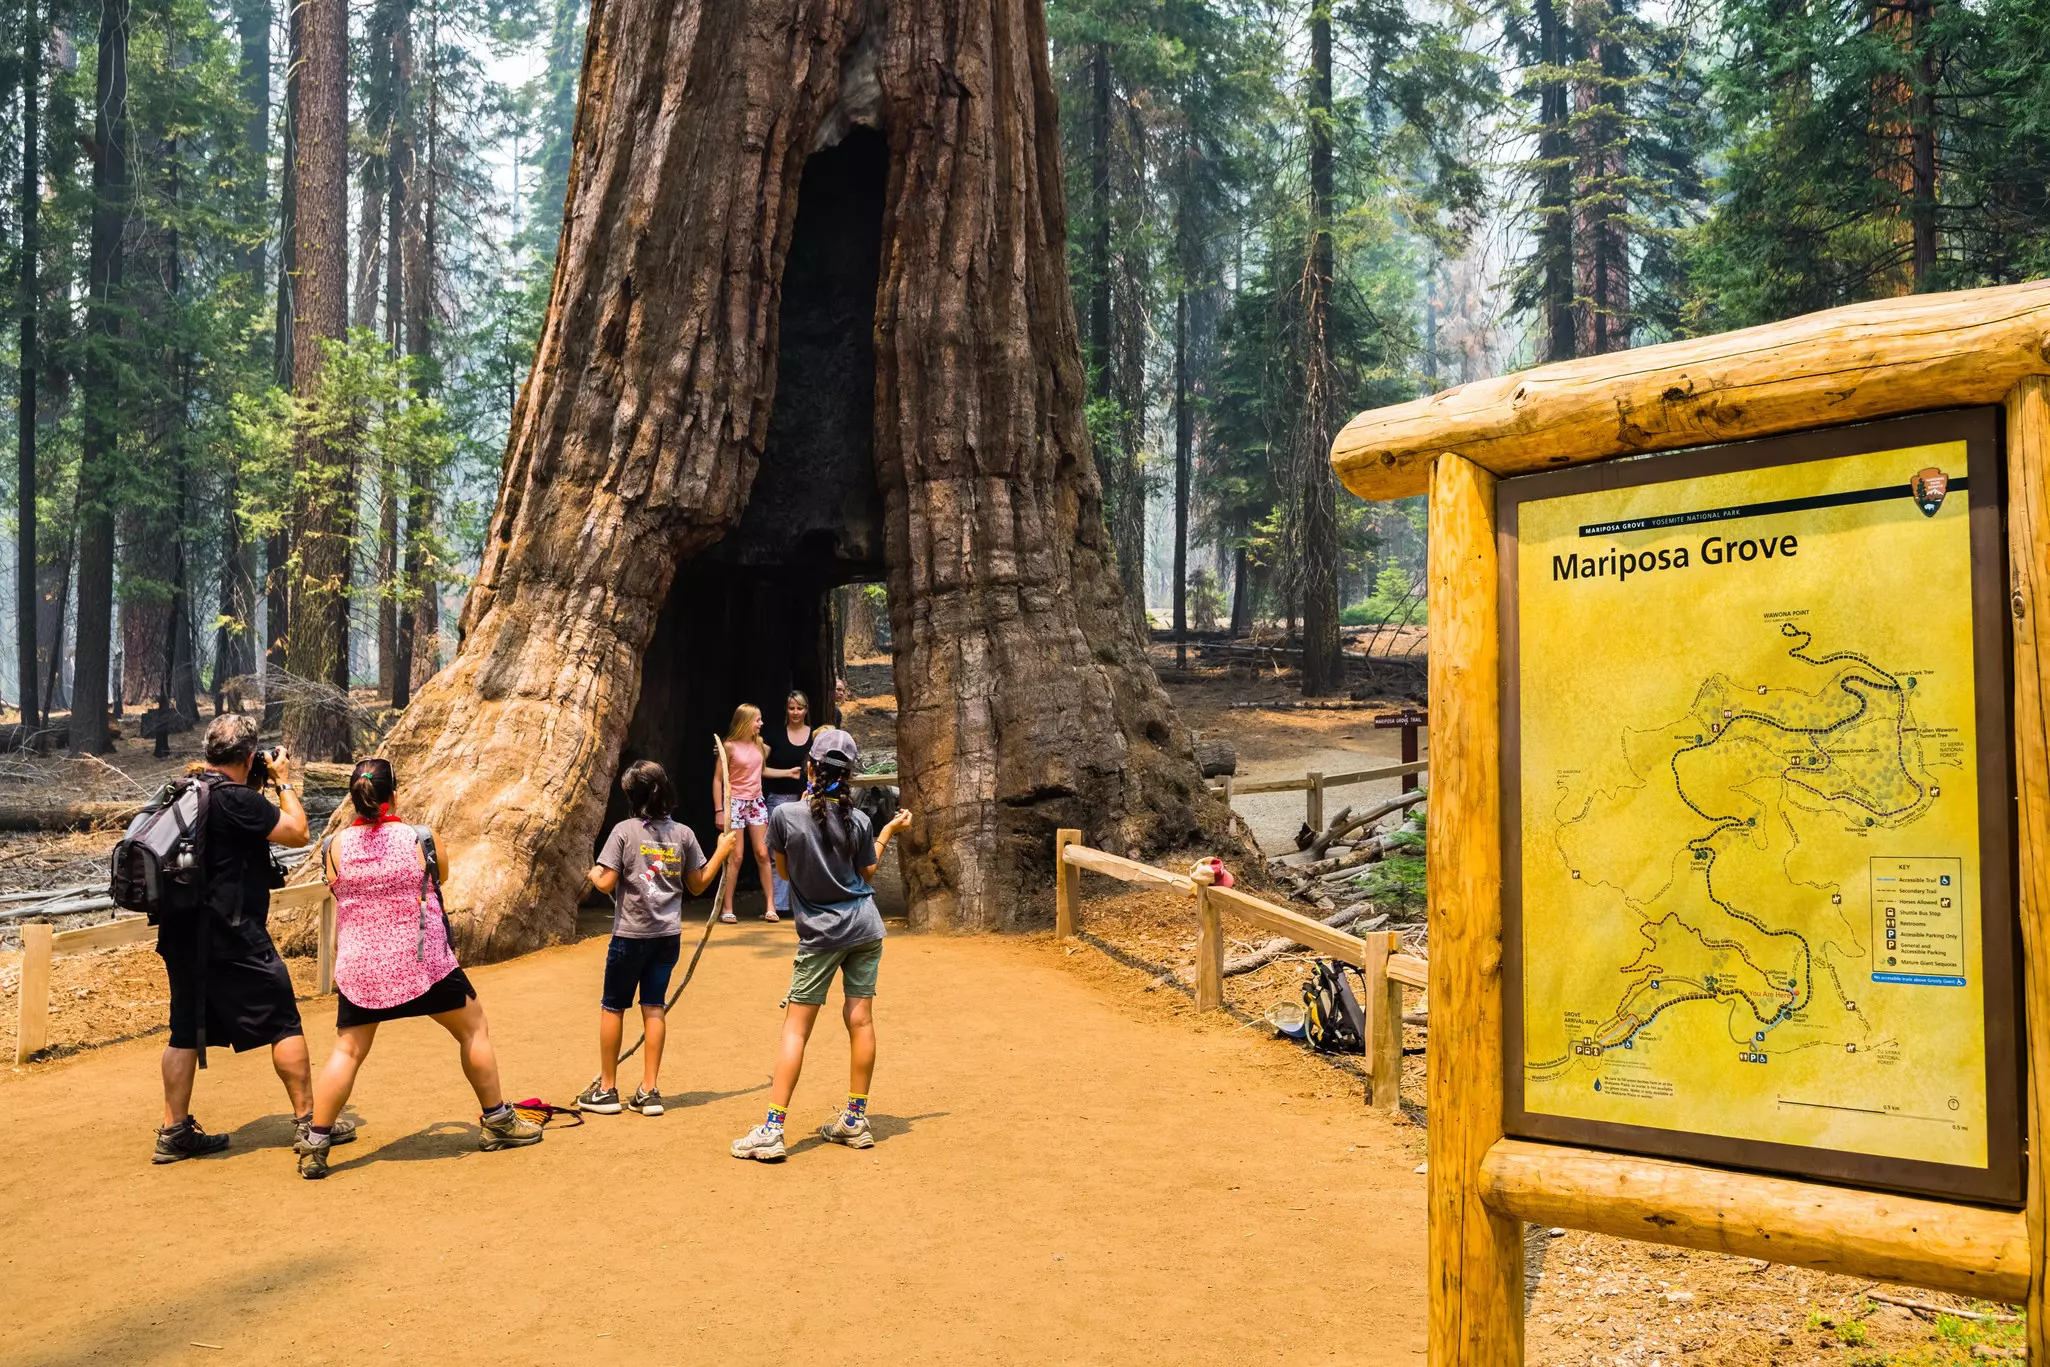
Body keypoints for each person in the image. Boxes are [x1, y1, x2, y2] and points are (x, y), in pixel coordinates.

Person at [292, 758, 543, 1179]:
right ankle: (498, 1121)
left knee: (347, 1050)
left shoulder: (334, 845)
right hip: (421, 962)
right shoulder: (420, 838)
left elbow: (336, 886)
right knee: (473, 1028)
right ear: (395, 794)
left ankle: (316, 1141)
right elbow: (439, 877)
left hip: (360, 967)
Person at [153, 714, 333, 1165]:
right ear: (250, 756)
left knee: (182, 1030)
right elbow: (298, 832)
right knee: (283, 1022)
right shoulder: (235, 798)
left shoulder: (183, 790)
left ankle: (174, 1131)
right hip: (233, 933)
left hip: (180, 932)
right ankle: (309, 1123)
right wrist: (283, 782)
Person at [731, 728, 913, 1161]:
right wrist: (887, 830)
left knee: (796, 1030)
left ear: (810, 767)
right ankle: (855, 1119)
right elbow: (866, 875)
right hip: (865, 929)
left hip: (820, 935)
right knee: (861, 1021)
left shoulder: (786, 817)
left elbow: (787, 873)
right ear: (849, 775)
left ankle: (773, 1130)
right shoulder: (861, 821)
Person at [576, 760, 741, 1116]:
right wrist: (721, 853)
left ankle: (607, 1090)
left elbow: (605, 883)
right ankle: (649, 1091)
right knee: (654, 1007)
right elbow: (697, 885)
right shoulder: (683, 835)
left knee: (613, 1006)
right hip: (667, 937)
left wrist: (592, 872)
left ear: (632, 797)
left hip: (630, 936)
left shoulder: (624, 831)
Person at [712, 703, 780, 924]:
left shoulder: (759, 743)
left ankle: (771, 906)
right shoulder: (729, 746)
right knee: (736, 856)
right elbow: (717, 780)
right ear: (745, 721)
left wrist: (788, 772)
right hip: (736, 803)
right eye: (757, 720)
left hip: (756, 802)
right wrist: (719, 810)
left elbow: (763, 761)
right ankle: (727, 907)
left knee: (763, 853)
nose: (761, 723)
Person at [760, 690, 814, 917]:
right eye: (791, 708)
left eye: (799, 708)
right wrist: (724, 750)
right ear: (786, 709)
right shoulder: (775, 735)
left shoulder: (815, 736)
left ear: (806, 710)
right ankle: (780, 906)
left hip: (807, 801)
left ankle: (805, 904)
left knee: (804, 853)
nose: (795, 712)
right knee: (776, 854)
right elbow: (755, 762)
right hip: (778, 801)